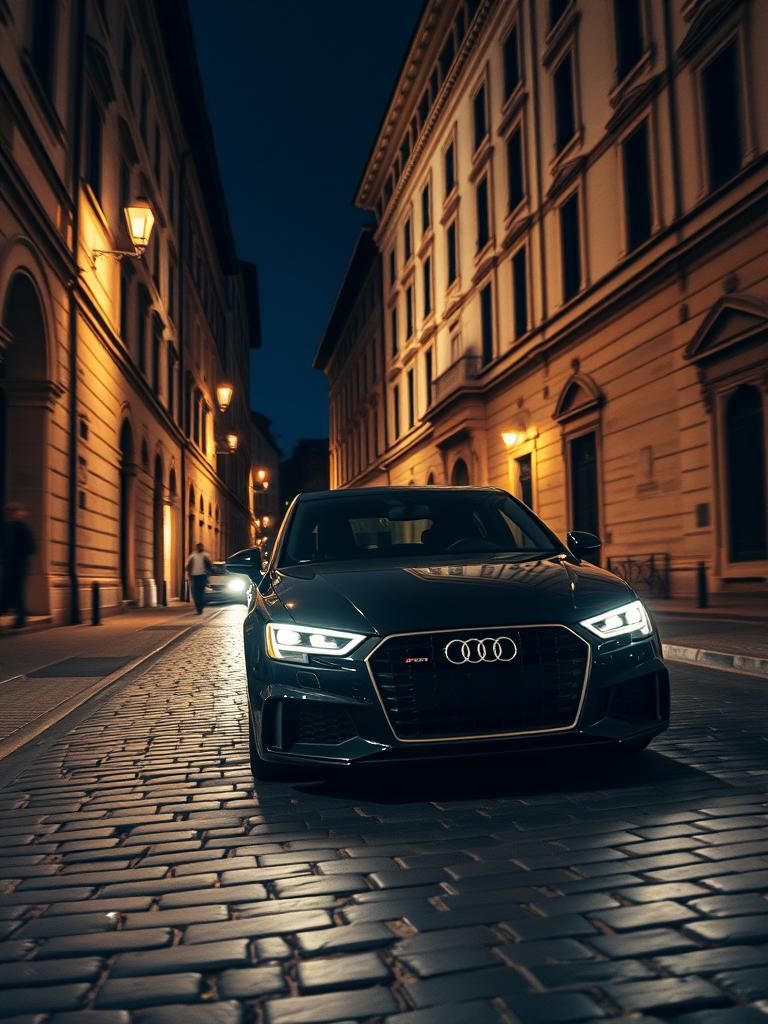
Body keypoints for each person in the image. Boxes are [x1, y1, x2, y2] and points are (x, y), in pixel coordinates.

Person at [1, 504, 36, 628]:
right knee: (13, 591)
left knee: (17, 591)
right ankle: (21, 614)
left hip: (19, 565)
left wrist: (18, 554)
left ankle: (21, 618)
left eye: (12, 512)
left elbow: (31, 547)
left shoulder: (21, 527)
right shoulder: (9, 526)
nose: (10, 514)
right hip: (11, 565)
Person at [186, 541, 213, 614]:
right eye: (198, 547)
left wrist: (208, 573)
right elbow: (188, 566)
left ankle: (200, 607)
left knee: (201, 592)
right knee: (195, 593)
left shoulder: (205, 555)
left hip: (202, 576)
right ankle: (199, 607)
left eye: (200, 547)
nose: (199, 548)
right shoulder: (192, 556)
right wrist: (189, 573)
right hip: (194, 576)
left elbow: (209, 565)